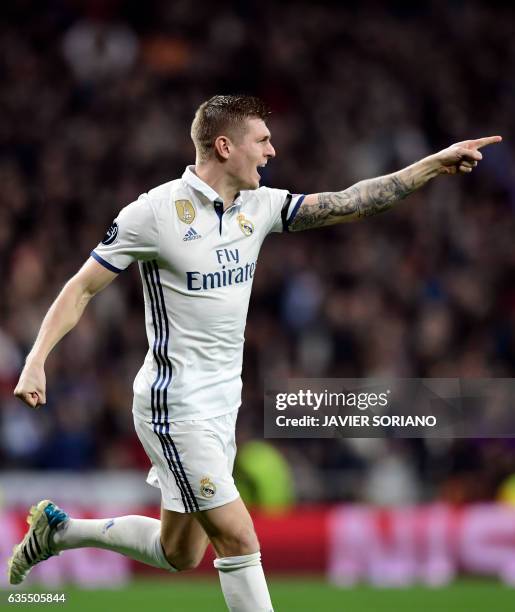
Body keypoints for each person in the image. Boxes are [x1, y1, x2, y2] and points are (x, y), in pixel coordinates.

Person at [9, 94, 501, 611]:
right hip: (174, 406)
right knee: (241, 540)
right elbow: (82, 287)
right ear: (225, 146)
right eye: (262, 140)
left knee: (178, 552)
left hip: (222, 408)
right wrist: (36, 358)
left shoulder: (259, 208)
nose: (272, 150)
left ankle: (57, 533)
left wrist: (432, 165)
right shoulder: (153, 213)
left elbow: (352, 200)